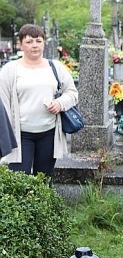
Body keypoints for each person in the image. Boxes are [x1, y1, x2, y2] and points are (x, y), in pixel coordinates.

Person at [0, 24, 78, 177]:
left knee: (44, 178)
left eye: (38, 41)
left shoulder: (55, 67)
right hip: (20, 136)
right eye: (29, 42)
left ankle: (45, 202)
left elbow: (72, 93)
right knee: (19, 179)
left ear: (44, 43)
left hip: (48, 133)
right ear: (20, 44)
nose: (34, 45)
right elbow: (3, 103)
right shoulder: (10, 69)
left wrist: (59, 103)